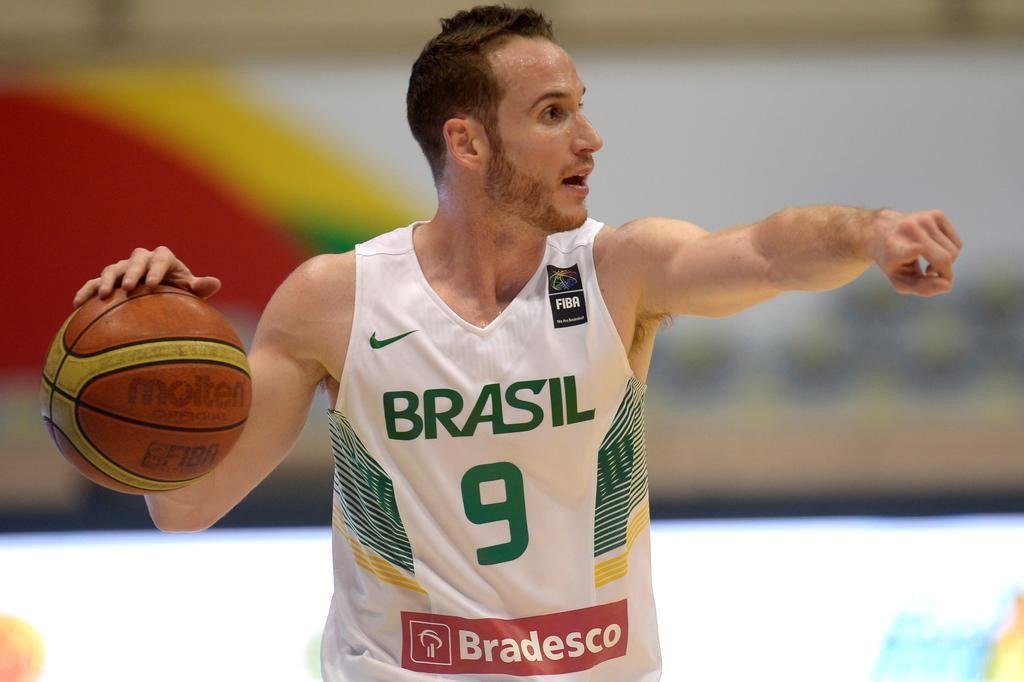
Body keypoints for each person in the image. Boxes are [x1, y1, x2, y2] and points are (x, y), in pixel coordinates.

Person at [72, 5, 962, 680]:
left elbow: (767, 251)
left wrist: (869, 231)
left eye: (581, 109)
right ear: (467, 141)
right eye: (552, 114)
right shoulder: (336, 300)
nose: (590, 139)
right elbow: (185, 506)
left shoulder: (619, 270)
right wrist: (160, 337)